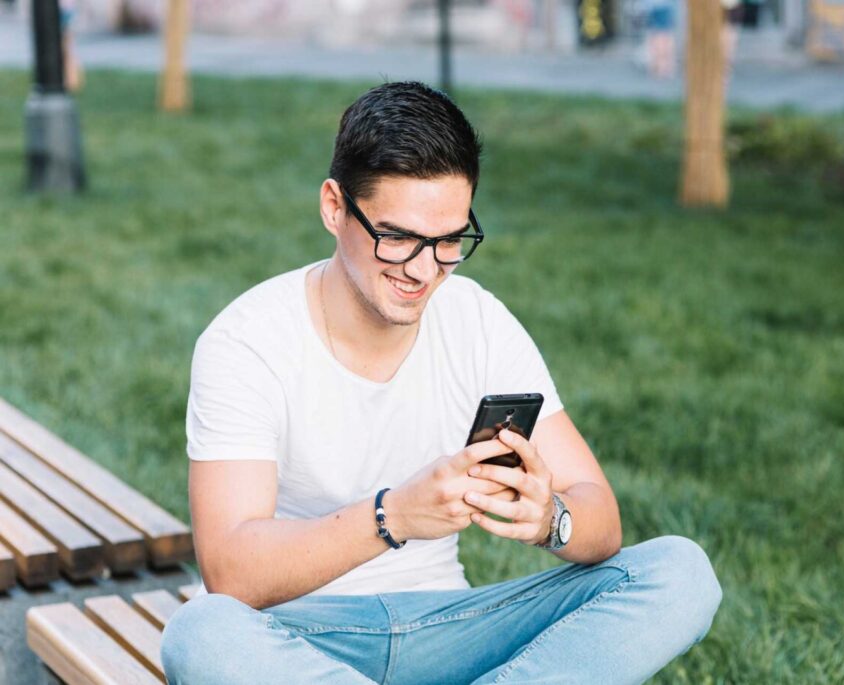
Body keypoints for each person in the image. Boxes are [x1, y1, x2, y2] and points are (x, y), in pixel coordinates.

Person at [159, 81, 722, 684]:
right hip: (300, 637)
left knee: (679, 571)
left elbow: (601, 517)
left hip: (452, 629)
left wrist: (550, 519)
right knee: (202, 633)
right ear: (333, 207)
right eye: (397, 237)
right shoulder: (247, 340)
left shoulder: (477, 320)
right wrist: (394, 516)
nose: (425, 270)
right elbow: (232, 573)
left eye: (449, 240)